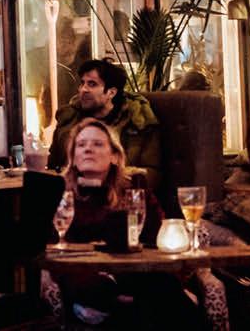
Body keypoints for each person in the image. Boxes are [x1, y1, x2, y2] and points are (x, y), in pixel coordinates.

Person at [49, 118, 202, 329]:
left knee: (162, 291)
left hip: (135, 280)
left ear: (114, 156)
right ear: (73, 158)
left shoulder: (135, 191)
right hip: (89, 285)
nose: (88, 149)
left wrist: (176, 283)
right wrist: (106, 286)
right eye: (81, 145)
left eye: (97, 144)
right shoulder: (60, 195)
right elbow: (54, 255)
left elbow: (159, 242)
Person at [48, 58, 162, 191]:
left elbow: (153, 175)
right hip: (73, 195)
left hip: (120, 195)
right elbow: (52, 166)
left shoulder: (139, 122)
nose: (83, 89)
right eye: (82, 83)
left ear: (111, 92)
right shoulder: (68, 121)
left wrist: (113, 177)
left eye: (92, 84)